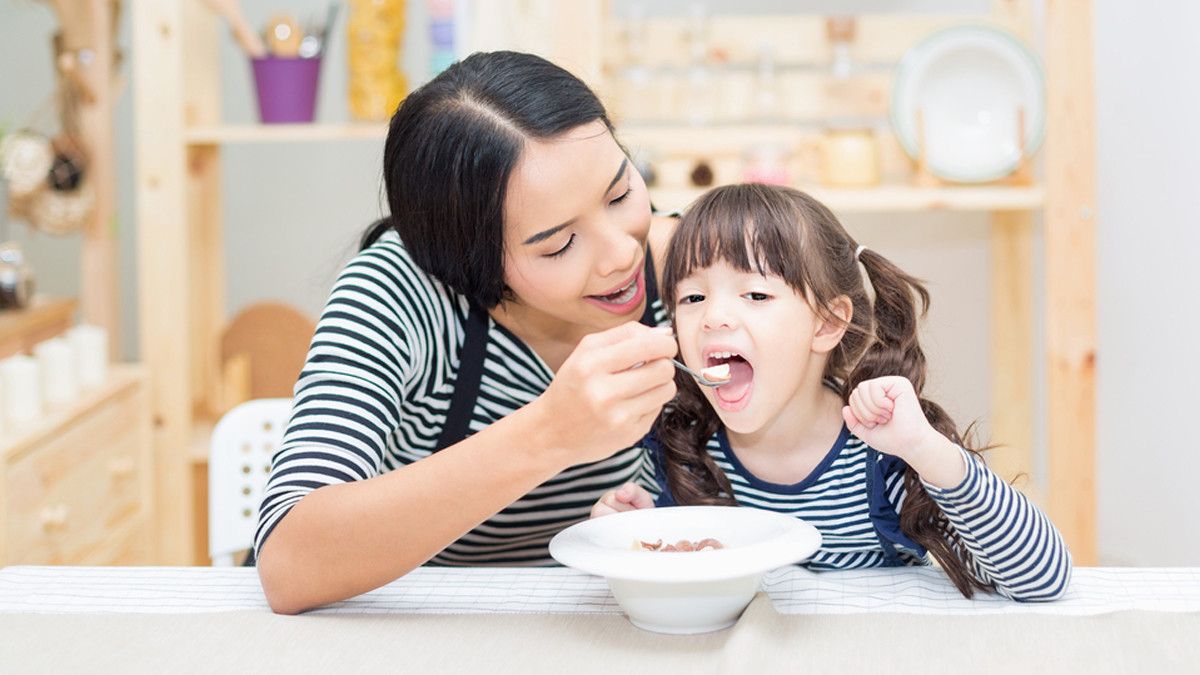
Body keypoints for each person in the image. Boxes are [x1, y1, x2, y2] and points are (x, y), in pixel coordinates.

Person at [255, 51, 681, 614]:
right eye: (558, 244)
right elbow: (290, 563)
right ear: (466, 261)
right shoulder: (400, 292)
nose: (622, 252)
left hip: (604, 620)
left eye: (621, 193)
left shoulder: (685, 269)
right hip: (419, 626)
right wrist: (551, 433)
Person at [592, 183, 1072, 600]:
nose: (714, 316)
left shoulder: (880, 457)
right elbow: (674, 590)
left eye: (755, 295)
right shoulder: (682, 449)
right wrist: (631, 532)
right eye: (692, 297)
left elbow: (1043, 578)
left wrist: (926, 450)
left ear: (827, 323)